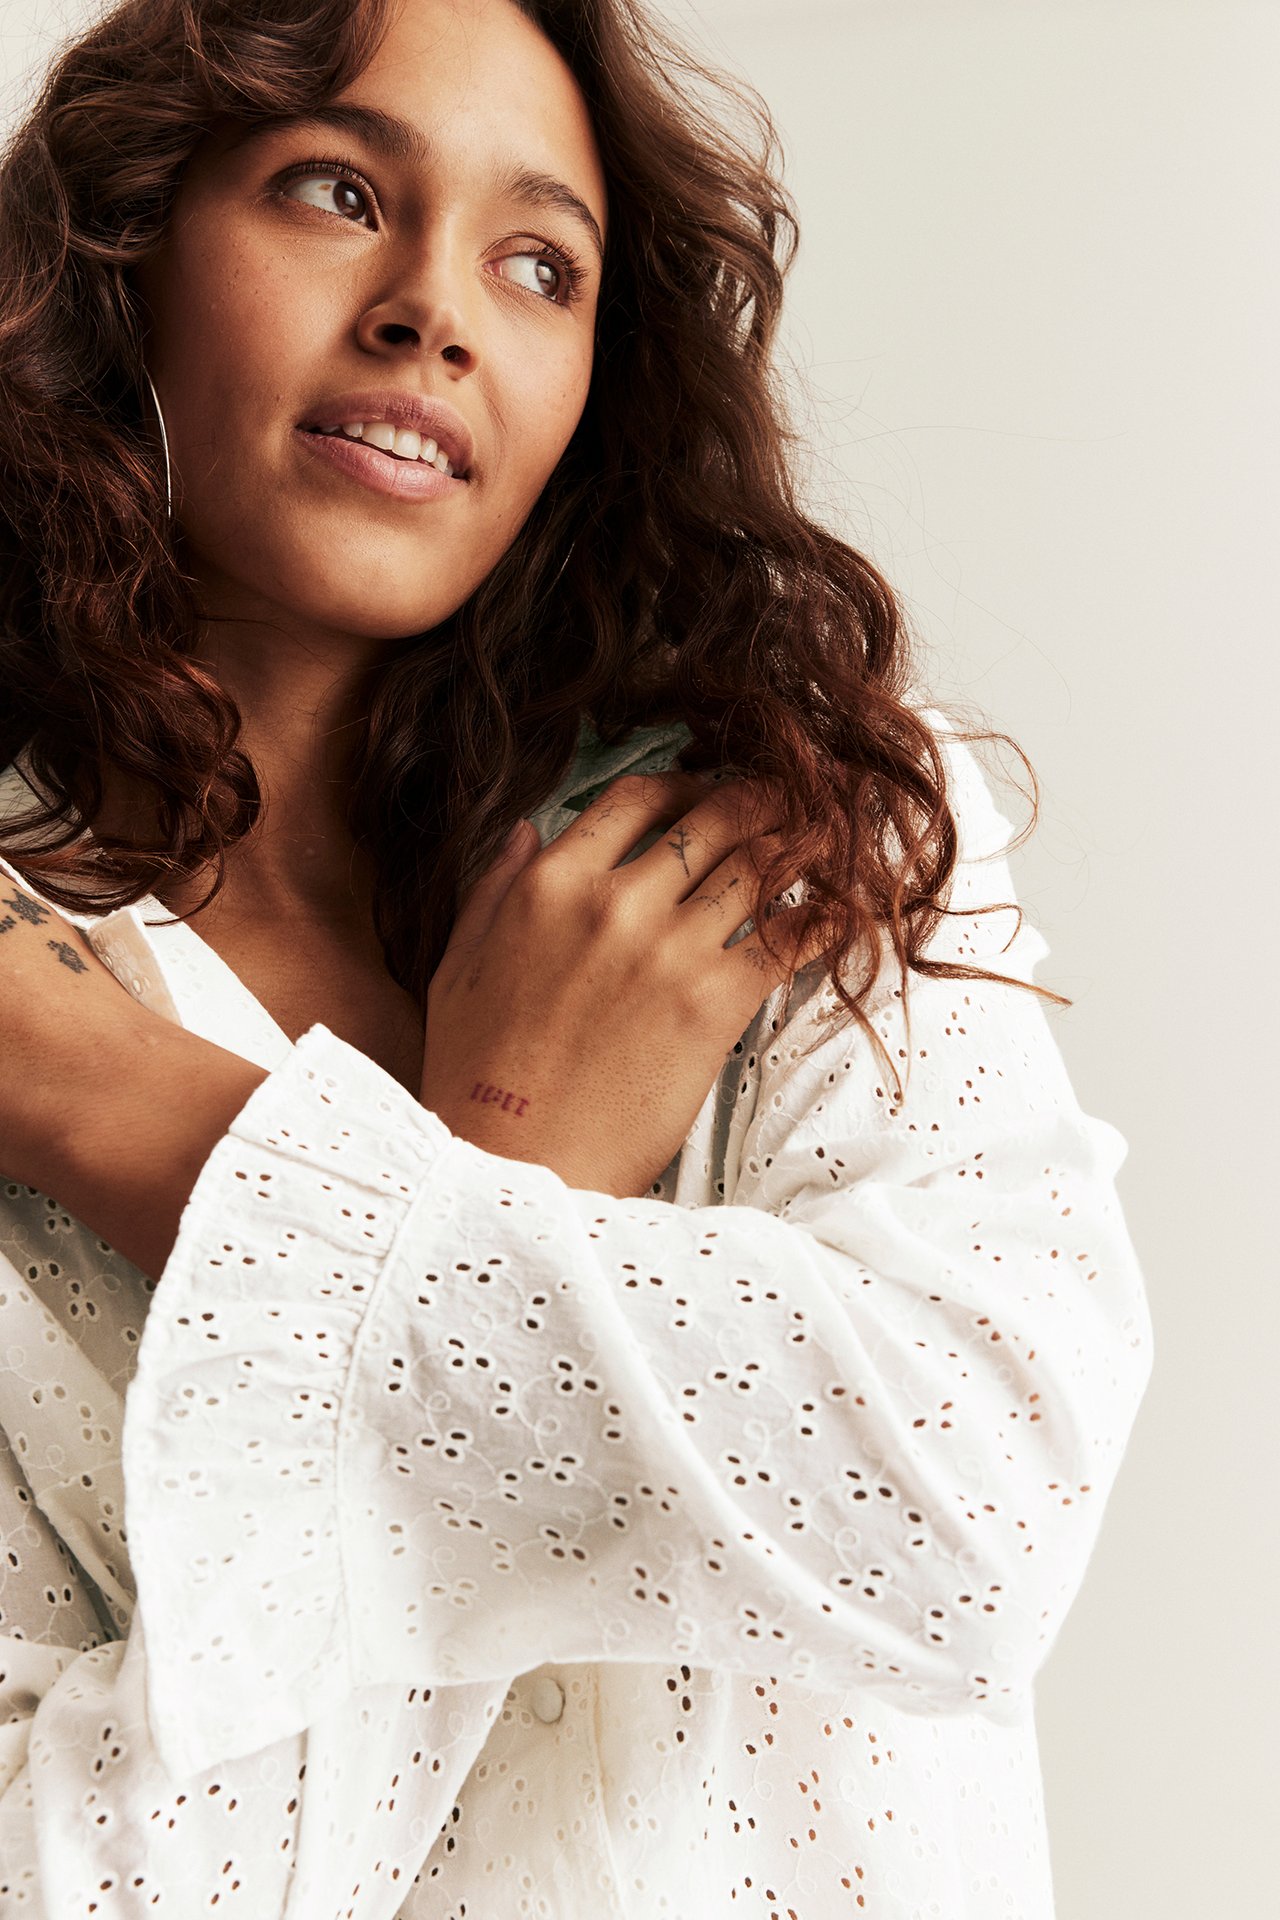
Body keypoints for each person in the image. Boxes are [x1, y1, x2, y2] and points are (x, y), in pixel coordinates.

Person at [0, 0, 1153, 1912]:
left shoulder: (804, 826)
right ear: (127, 257)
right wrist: (506, 1181)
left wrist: (137, 1109)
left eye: (541, 264)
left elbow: (972, 1520)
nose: (433, 309)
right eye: (333, 191)